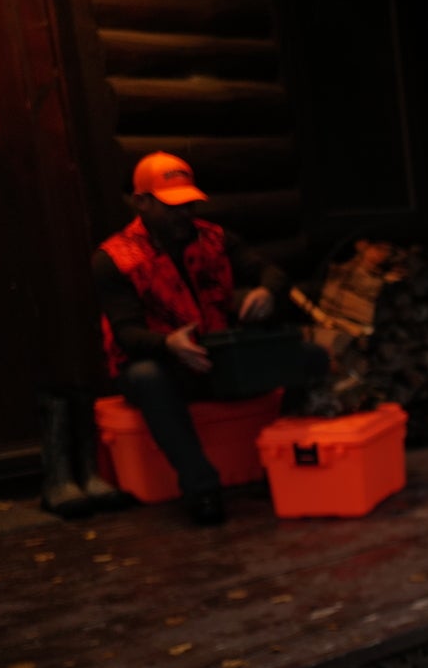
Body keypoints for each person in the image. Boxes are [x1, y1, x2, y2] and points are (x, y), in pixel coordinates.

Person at [93, 152, 329, 525]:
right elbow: (126, 334)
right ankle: (202, 489)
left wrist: (266, 291)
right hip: (164, 363)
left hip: (217, 356)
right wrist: (168, 344)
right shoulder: (114, 258)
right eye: (172, 206)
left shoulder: (215, 238)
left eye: (188, 203)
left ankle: (278, 464)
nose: (183, 213)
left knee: (311, 356)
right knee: (146, 377)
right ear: (141, 202)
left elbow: (270, 271)